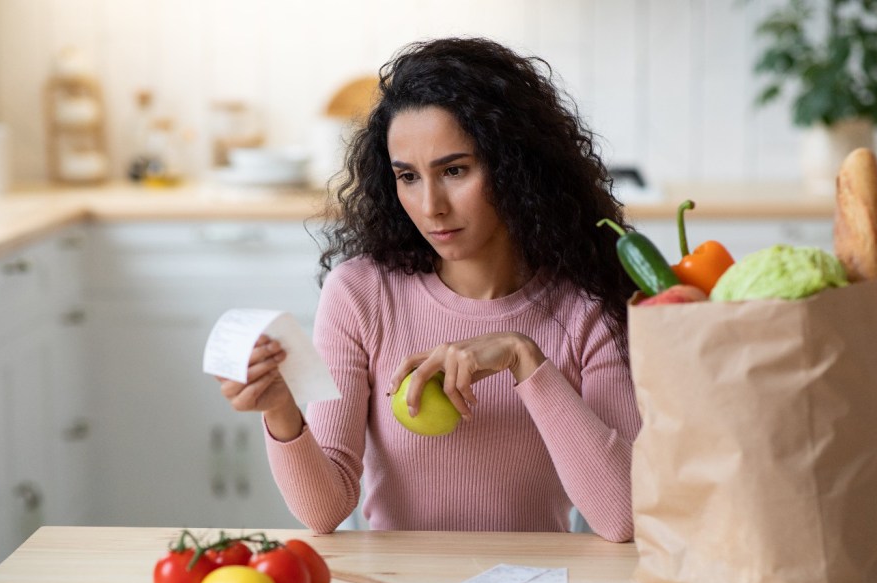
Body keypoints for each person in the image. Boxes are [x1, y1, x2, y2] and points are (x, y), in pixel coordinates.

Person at [216, 37, 642, 542]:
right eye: (408, 177)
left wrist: (522, 357)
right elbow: (324, 510)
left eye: (455, 170)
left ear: (516, 168)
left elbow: (624, 518)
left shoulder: (585, 306)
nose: (430, 205)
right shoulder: (361, 293)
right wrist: (280, 409)